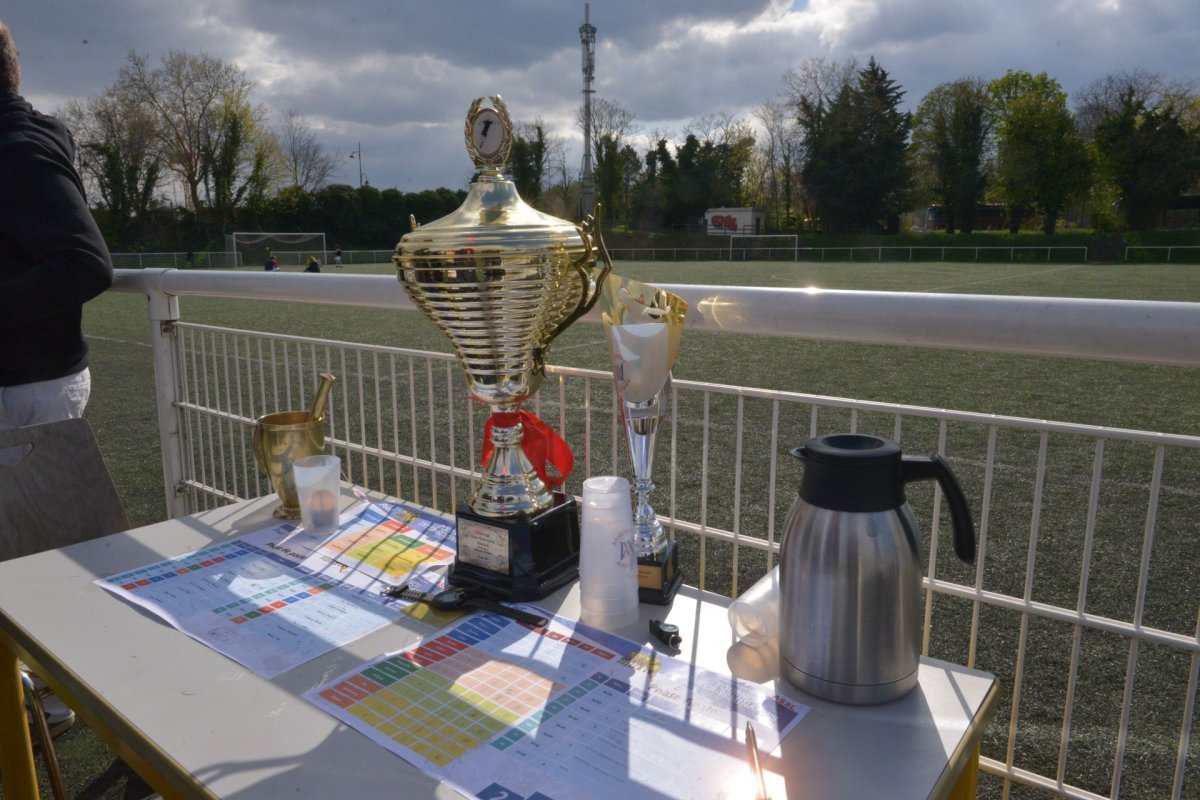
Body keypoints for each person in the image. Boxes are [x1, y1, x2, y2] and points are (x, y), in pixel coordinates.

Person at [0, 18, 114, 737]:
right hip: (24, 380)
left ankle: (56, 698)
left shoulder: (16, 148)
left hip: (30, 386)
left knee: (39, 555)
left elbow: (85, 261)